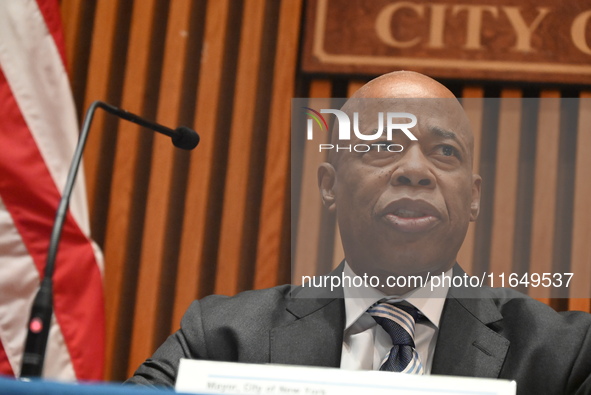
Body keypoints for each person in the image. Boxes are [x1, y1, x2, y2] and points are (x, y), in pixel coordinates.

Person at [126, 71, 591, 394]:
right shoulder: (222, 340)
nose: (415, 170)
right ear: (329, 185)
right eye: (384, 146)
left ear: (473, 197)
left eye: (444, 151)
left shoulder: (564, 355)